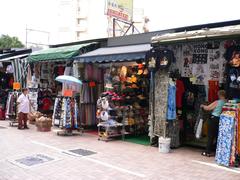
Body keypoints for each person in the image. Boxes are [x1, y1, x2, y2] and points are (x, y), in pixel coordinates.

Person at [200, 90, 226, 157]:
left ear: (220, 95)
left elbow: (208, 108)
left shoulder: (217, 102)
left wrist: (203, 106)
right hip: (221, 120)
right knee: (218, 136)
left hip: (213, 119)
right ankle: (218, 152)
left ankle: (207, 152)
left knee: (210, 136)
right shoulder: (226, 102)